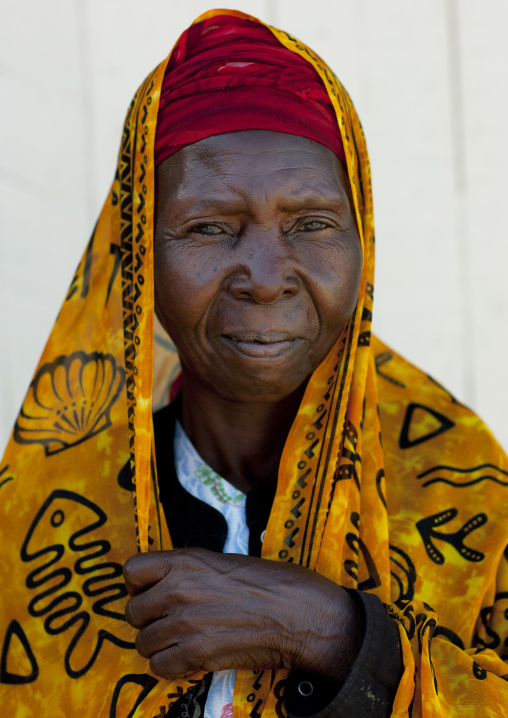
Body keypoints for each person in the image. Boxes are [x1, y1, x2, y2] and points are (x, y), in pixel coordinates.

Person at [0, 8, 507, 717]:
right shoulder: (38, 526)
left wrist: (337, 635)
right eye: (210, 227)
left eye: (313, 224)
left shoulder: (460, 487)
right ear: (138, 253)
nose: (266, 276)